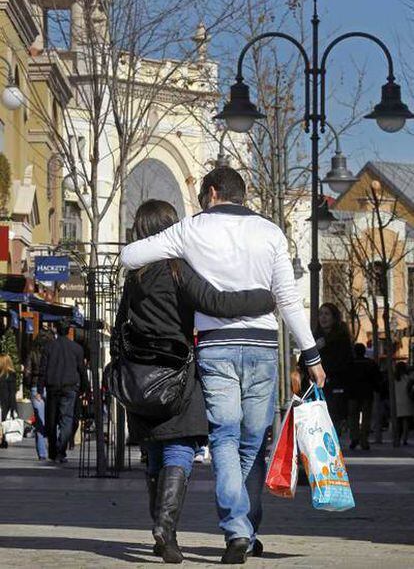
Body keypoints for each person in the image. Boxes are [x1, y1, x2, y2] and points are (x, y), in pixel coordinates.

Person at [121, 168, 325, 565]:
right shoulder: (270, 232)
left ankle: (238, 529)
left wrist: (169, 250)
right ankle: (242, 529)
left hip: (216, 349)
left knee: (226, 441)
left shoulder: (191, 229)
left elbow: (130, 255)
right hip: (264, 348)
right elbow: (287, 298)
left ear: (212, 193)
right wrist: (311, 354)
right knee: (251, 442)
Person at [113, 199, 275, 565]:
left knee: (154, 452)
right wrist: (264, 298)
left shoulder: (133, 278)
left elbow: (120, 327)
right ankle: (164, 528)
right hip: (176, 378)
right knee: (180, 449)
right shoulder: (177, 271)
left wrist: (118, 368)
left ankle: (164, 532)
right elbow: (215, 302)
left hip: (140, 379)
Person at [36, 320, 88, 463]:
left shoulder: (49, 347)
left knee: (51, 420)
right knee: (67, 420)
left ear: (56, 330)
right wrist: (85, 388)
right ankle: (60, 450)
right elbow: (82, 370)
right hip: (70, 387)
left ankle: (54, 451)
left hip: (53, 387)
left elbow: (43, 370)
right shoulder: (77, 348)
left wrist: (40, 389)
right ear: (69, 330)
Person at [312, 303, 353, 434]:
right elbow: (303, 362)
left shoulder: (342, 338)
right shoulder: (314, 338)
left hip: (335, 387)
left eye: (327, 314)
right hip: (316, 388)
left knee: (332, 423)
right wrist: (315, 349)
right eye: (321, 314)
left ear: (334, 317)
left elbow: (345, 363)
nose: (323, 317)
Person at [24, 330, 53, 460]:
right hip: (51, 387)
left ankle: (42, 454)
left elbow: (27, 373)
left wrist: (29, 387)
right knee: (54, 420)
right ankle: (55, 449)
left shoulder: (32, 353)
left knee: (39, 423)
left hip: (36, 388)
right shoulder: (52, 353)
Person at [348, 343, 381, 450]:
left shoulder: (350, 364)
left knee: (353, 418)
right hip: (367, 394)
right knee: (366, 418)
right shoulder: (370, 363)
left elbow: (345, 378)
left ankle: (354, 437)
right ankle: (364, 440)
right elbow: (377, 378)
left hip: (353, 394)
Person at [394, 361, 414, 446]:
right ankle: (405, 439)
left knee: (398, 421)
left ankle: (397, 438)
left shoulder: (394, 379)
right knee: (406, 421)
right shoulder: (408, 378)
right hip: (407, 401)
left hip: (397, 402)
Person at [0, 354, 17, 449]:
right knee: (4, 422)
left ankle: (2, 439)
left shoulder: (8, 374)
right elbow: (12, 392)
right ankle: (3, 439)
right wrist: (13, 407)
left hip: (3, 402)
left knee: (2, 421)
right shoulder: (11, 375)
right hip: (6, 402)